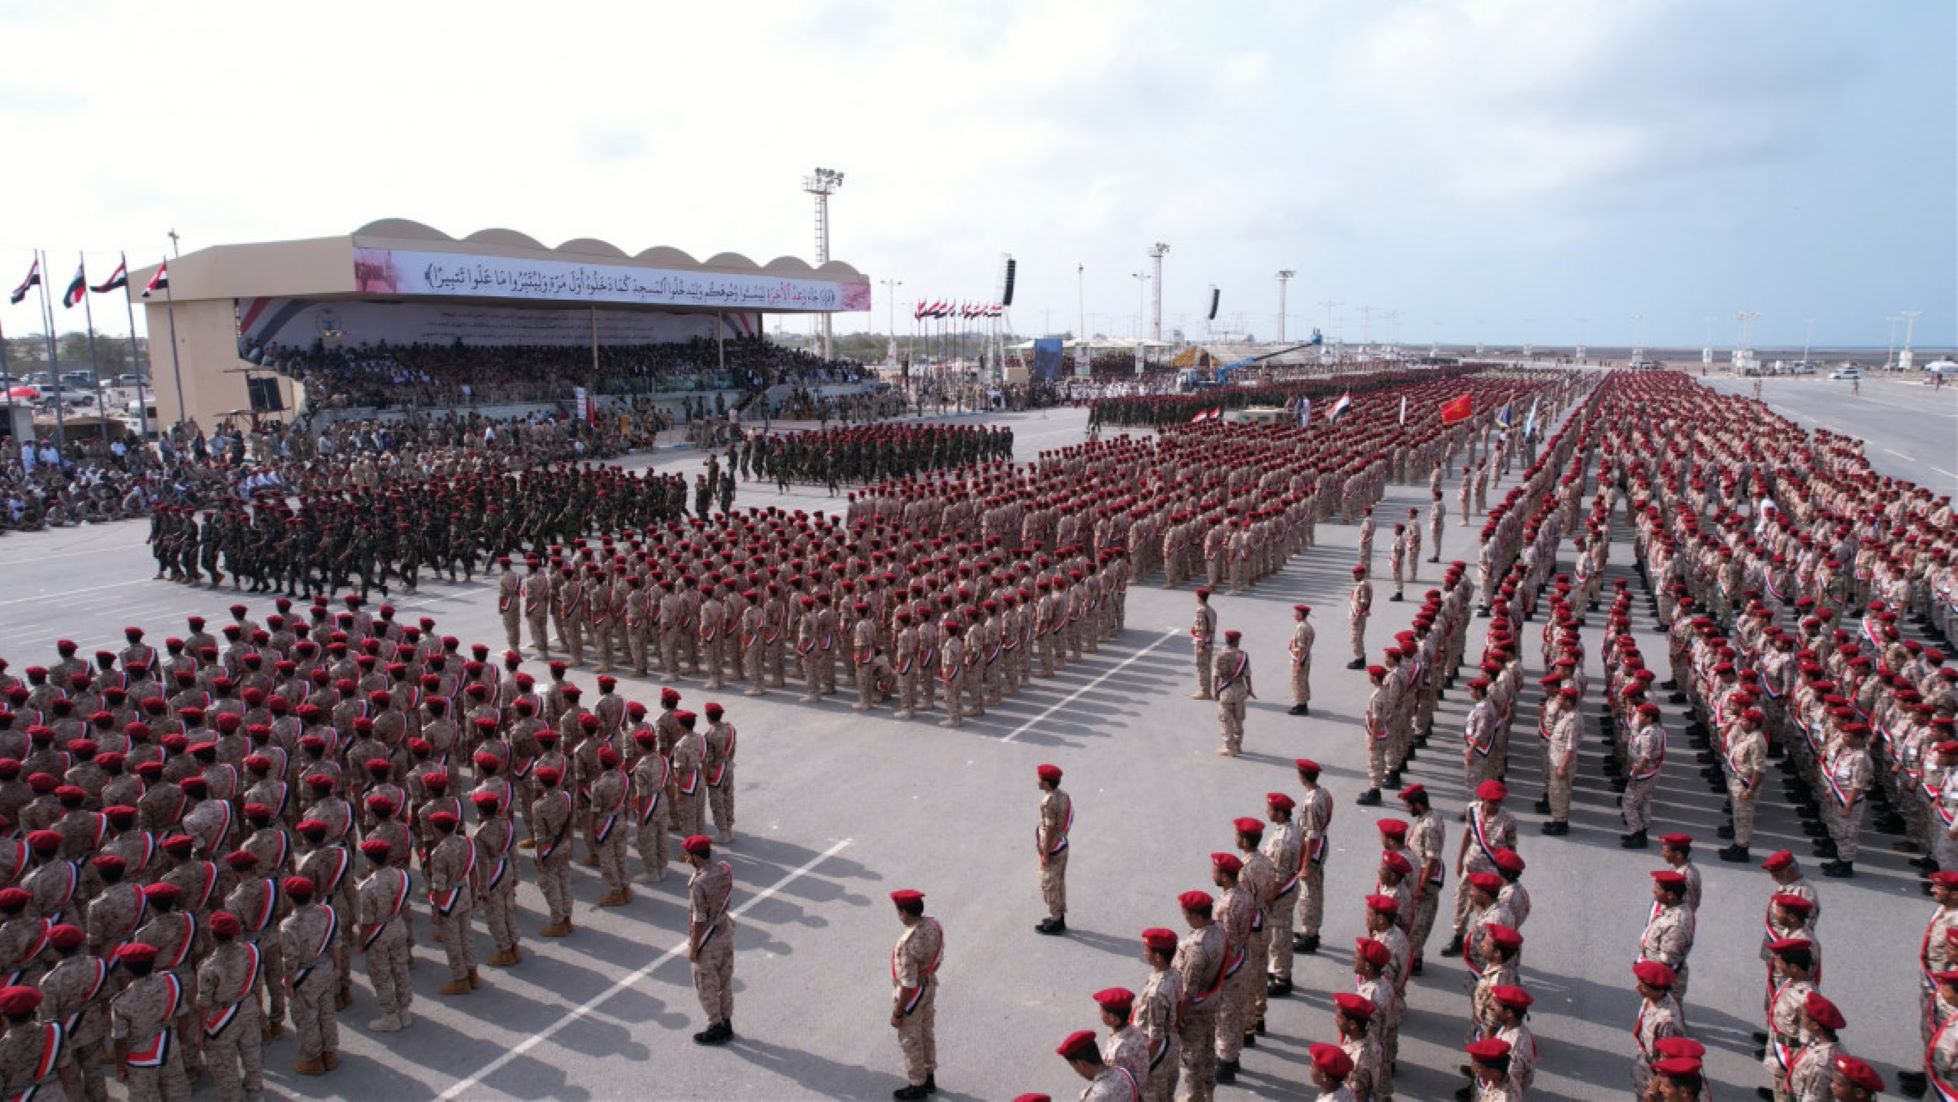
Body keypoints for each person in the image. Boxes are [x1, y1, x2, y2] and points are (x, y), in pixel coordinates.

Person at [889, 889, 943, 1102]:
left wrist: (898, 1012)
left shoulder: (907, 943)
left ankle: (917, 1085)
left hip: (914, 994)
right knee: (926, 1032)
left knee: (911, 1038)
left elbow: (908, 984)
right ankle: (929, 1076)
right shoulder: (933, 925)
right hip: (929, 984)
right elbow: (939, 956)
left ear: (904, 913)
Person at [684, 834, 735, 1046]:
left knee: (707, 984)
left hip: (708, 939)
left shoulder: (700, 883)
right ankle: (726, 1021)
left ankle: (715, 1026)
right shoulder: (724, 870)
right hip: (725, 931)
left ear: (695, 856)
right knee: (725, 980)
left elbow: (699, 920)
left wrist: (694, 948)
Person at [1134, 928, 1183, 1102]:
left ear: (1158, 957)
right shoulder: (1174, 974)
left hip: (1158, 1052)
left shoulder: (1156, 993)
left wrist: (1140, 1066)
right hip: (1172, 1043)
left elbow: (1155, 1037)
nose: (1144, 953)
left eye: (1147, 950)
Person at [1035, 764, 1072, 936]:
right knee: (1058, 883)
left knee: (1049, 885)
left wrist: (1046, 854)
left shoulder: (1049, 802)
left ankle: (1056, 921)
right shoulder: (1064, 796)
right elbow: (1070, 817)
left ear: (1047, 783)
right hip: (1062, 845)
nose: (1037, 781)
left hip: (1053, 849)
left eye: (1040, 779)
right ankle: (1059, 917)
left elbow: (1049, 829)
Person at [1057, 1029, 1138, 1101]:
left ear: (1081, 1064)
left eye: (1074, 1067)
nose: (1077, 1072)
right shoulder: (1123, 1073)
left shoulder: (1095, 1097)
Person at [1214, 630, 1252, 757]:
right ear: (1237, 641)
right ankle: (1237, 744)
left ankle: (1229, 747)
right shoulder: (1243, 656)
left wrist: (1215, 690)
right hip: (1240, 689)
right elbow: (1247, 674)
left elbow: (1216, 675)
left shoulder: (1220, 655)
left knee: (1226, 720)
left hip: (1226, 691)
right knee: (1238, 719)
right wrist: (1250, 689)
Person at [1190, 589, 1218, 701]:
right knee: (1207, 665)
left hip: (1203, 642)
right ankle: (1206, 689)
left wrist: (1201, 646)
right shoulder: (1211, 610)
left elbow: (1202, 630)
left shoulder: (1201, 612)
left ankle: (1205, 691)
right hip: (1210, 641)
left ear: (1200, 598)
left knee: (1202, 666)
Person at [1288, 605, 1314, 716]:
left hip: (1301, 658)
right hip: (1305, 657)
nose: (1293, 615)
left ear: (1300, 614)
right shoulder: (1307, 626)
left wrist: (1298, 662)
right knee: (1302, 680)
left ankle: (1301, 705)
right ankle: (1302, 703)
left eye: (1295, 613)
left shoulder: (1301, 628)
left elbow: (1300, 647)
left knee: (1298, 681)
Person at [1347, 566, 1372, 670]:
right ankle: (1359, 658)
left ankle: (1360, 660)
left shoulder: (1363, 586)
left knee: (1356, 638)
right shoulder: (1362, 584)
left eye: (1356, 574)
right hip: (1357, 614)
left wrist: (1357, 616)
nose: (1354, 576)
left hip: (1358, 616)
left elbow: (1363, 602)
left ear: (1361, 574)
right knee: (1357, 637)